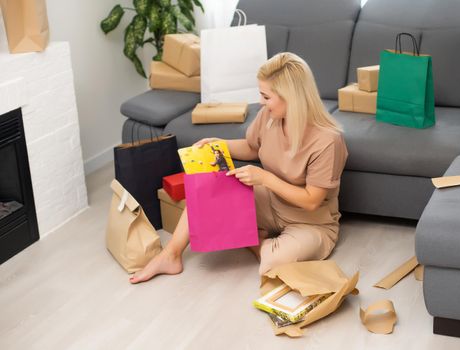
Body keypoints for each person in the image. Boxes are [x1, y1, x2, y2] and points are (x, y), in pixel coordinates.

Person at [129, 52, 348, 284]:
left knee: (275, 263)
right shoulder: (270, 116)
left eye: (266, 96)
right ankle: (170, 255)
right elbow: (253, 148)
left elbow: (311, 200)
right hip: (271, 202)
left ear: (292, 97)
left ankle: (252, 239)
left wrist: (264, 178)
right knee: (205, 193)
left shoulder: (327, 141)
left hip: (311, 221)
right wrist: (220, 145)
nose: (261, 102)